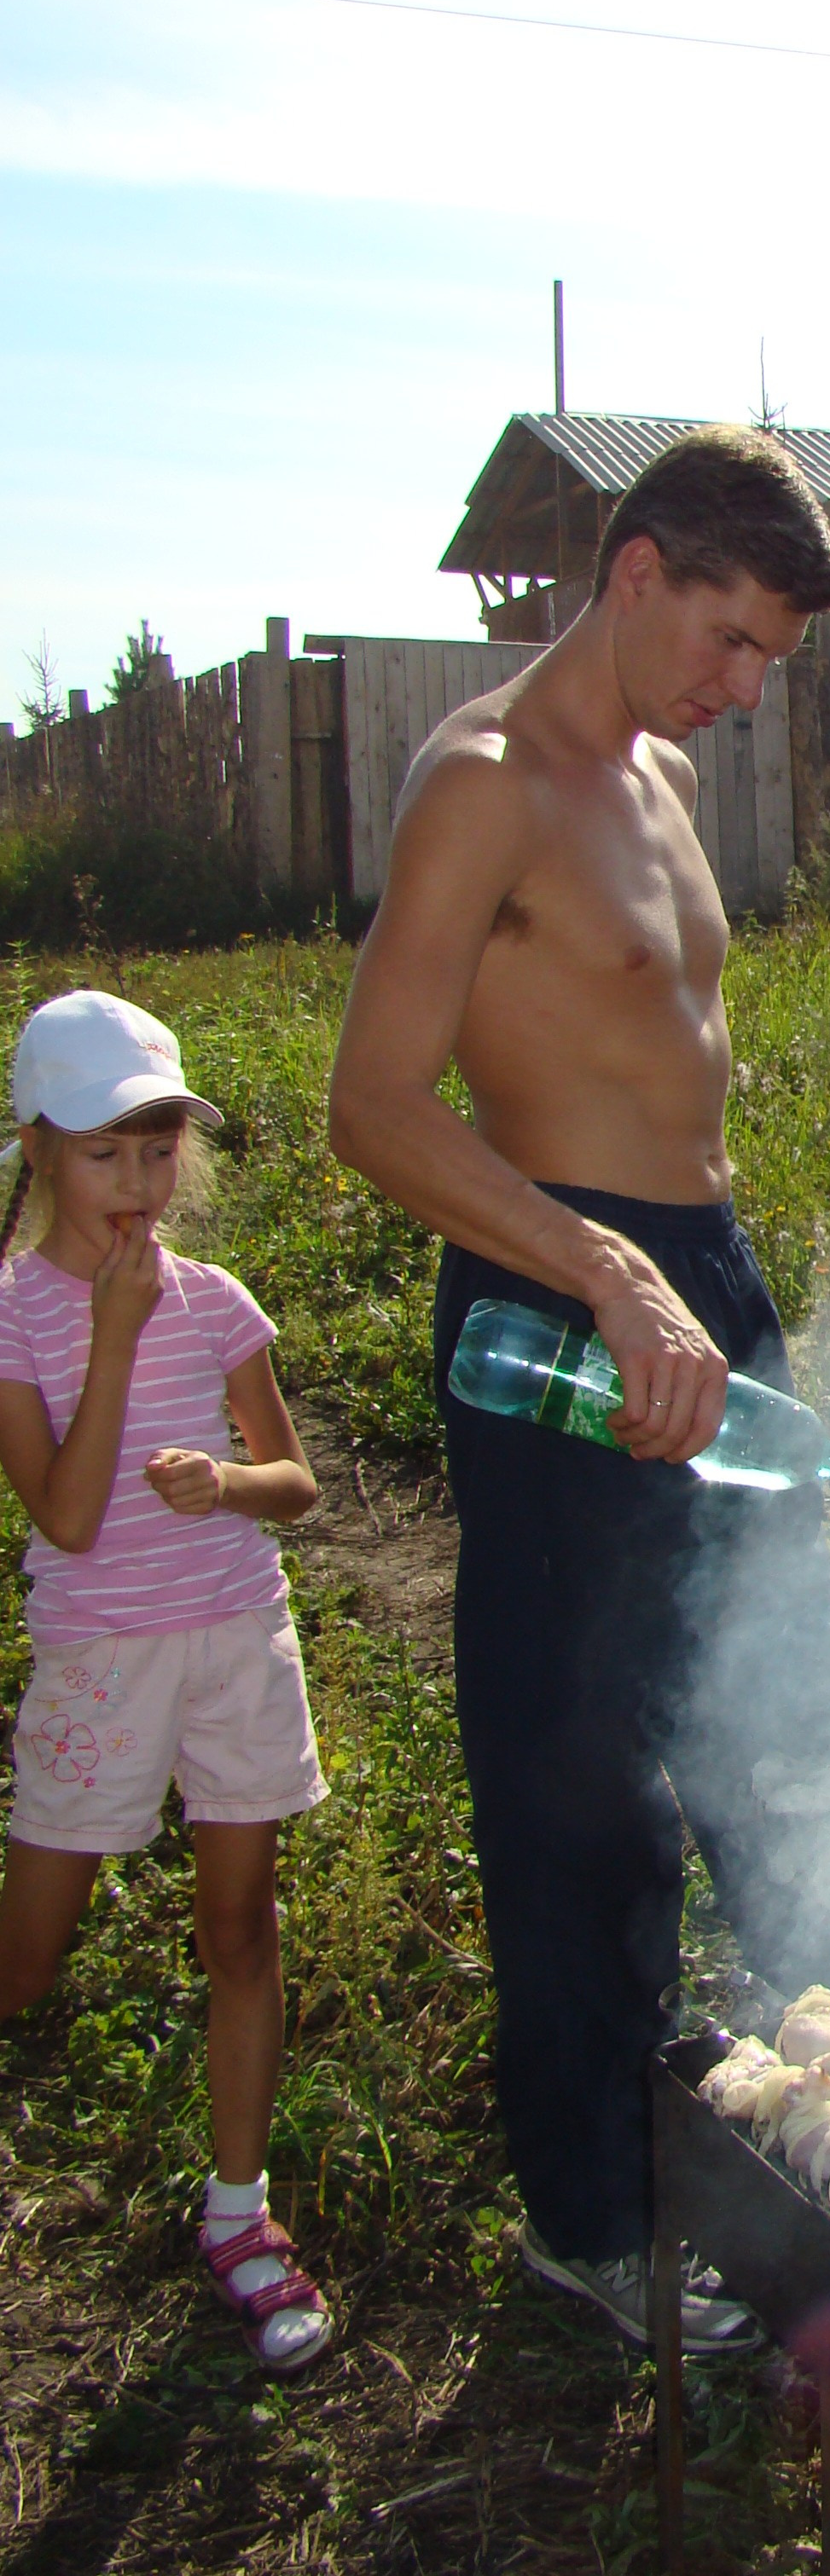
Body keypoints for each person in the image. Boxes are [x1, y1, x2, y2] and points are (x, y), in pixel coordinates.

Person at [328, 424, 830, 2354]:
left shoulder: (663, 774)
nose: (746, 691)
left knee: (789, 1710)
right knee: (580, 1776)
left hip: (701, 1284)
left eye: (772, 662)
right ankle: (594, 2220)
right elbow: (370, 1105)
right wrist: (608, 1269)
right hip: (562, 1293)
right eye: (731, 640)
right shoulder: (484, 784)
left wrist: (697, 1279)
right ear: (637, 571)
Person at [0, 989, 329, 2372]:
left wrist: (227, 1484)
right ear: (37, 1150)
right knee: (31, 1955)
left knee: (240, 1931)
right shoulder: (16, 1315)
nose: (136, 1183)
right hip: (102, 1663)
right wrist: (117, 1336)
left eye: (156, 1150)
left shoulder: (217, 1302)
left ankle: (240, 2215)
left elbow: (295, 1483)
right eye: (102, 1153)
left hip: (235, 1641)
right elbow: (68, 1518)